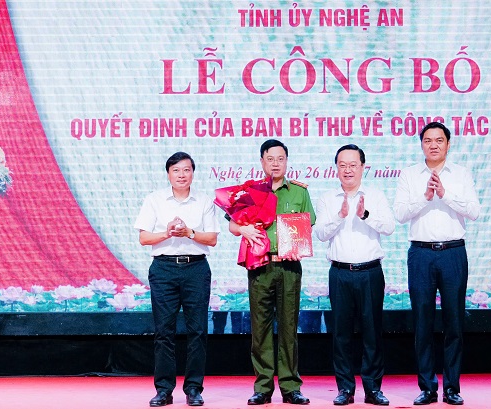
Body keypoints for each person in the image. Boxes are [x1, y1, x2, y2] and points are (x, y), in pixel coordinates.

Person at [393, 122, 480, 406]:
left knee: (454, 322)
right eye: (428, 140)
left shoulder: (461, 174)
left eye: (439, 140)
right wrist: (425, 198)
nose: (433, 145)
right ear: (421, 144)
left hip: (453, 253)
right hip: (421, 254)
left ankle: (452, 387)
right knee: (423, 322)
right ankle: (427, 387)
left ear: (448, 144)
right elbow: (400, 214)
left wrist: (445, 195)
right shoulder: (409, 175)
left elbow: (474, 211)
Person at [229, 139, 315, 405]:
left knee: (289, 328)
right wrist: (243, 229)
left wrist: (298, 242)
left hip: (289, 267)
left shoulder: (299, 192)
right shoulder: (251, 191)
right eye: (270, 159)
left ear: (286, 161)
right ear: (262, 162)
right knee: (260, 327)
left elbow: (308, 224)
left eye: (280, 159)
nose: (275, 164)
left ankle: (290, 387)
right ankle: (263, 387)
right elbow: (233, 225)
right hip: (260, 266)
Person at [134, 152, 220, 407]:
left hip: (196, 269)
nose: (182, 175)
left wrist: (189, 232)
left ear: (193, 173)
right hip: (164, 269)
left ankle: (194, 389)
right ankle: (164, 390)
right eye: (176, 170)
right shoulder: (154, 200)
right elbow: (144, 238)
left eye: (186, 170)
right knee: (164, 331)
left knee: (198, 330)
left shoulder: (204, 201)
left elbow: (212, 239)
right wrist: (168, 232)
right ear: (168, 174)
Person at [314, 144, 395, 406]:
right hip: (340, 273)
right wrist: (340, 215)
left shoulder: (376, 196)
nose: (348, 170)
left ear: (363, 167)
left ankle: (373, 389)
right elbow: (321, 234)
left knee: (372, 333)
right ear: (336, 168)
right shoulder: (328, 198)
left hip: (370, 272)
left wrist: (365, 215)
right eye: (342, 165)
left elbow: (389, 227)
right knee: (341, 334)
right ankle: (345, 389)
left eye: (353, 165)